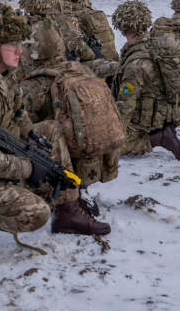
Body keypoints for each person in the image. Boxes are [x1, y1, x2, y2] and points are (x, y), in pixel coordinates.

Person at [0, 3, 111, 238]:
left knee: (51, 131)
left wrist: (31, 138)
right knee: (35, 213)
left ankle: (67, 210)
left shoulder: (2, 75)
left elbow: (19, 112)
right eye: (12, 44)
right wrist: (28, 168)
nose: (20, 51)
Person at [20, 18, 123, 205]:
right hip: (91, 156)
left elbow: (25, 128)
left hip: (63, 164)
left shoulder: (34, 84)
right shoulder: (81, 70)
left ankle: (63, 201)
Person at [111, 0, 180, 160]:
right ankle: (162, 129)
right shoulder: (152, 45)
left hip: (146, 118)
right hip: (163, 111)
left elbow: (126, 104)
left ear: (125, 28)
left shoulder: (136, 63)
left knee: (105, 149)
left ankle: (157, 138)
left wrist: (114, 135)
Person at [41, 0, 119, 61]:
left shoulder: (62, 11)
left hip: (90, 61)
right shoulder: (85, 4)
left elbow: (77, 45)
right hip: (111, 59)